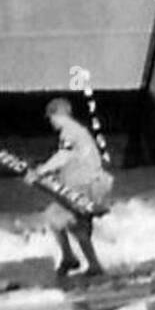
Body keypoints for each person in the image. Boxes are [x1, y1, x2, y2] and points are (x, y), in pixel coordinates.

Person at [29, 97, 112, 276]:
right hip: (83, 184)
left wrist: (40, 171)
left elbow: (63, 156)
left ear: (58, 115)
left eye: (51, 118)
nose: (51, 123)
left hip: (83, 185)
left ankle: (87, 263)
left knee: (66, 222)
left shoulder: (70, 131)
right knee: (61, 220)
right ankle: (73, 259)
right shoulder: (79, 132)